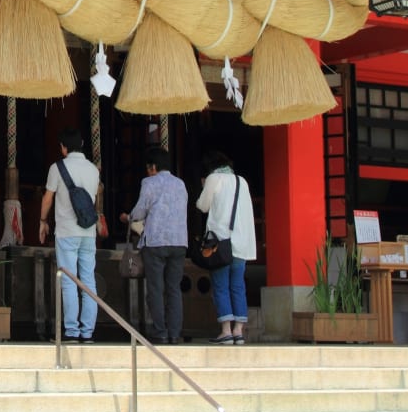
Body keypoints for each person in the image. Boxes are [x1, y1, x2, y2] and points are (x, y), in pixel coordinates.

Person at [40, 127, 106, 340]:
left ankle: (71, 331)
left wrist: (42, 221)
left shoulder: (57, 168)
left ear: (63, 147)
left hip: (67, 231)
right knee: (88, 280)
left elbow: (48, 198)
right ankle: (87, 332)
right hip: (88, 232)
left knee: (69, 280)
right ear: (83, 145)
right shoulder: (93, 170)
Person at [121, 155, 189, 344]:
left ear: (153, 167)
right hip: (179, 242)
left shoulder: (149, 182)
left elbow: (140, 211)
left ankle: (160, 331)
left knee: (156, 289)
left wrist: (128, 217)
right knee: (174, 289)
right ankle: (175, 333)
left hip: (156, 241)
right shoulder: (180, 184)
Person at [195, 152, 256, 344]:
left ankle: (226, 330)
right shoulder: (242, 181)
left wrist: (205, 187)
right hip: (241, 243)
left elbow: (202, 206)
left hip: (221, 242)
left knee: (221, 286)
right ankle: (239, 330)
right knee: (238, 286)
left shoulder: (214, 178)